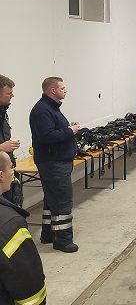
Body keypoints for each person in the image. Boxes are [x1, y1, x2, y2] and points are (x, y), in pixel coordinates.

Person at [29, 77, 80, 253]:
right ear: (53, 90)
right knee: (62, 201)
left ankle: (49, 235)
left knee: (52, 200)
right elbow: (47, 136)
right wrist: (69, 131)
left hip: (57, 161)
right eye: (62, 88)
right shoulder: (42, 110)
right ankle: (63, 240)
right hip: (53, 163)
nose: (66, 90)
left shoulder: (51, 108)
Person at [0, 151, 47, 304]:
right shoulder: (9, 224)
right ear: (1, 175)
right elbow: (29, 285)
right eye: (10, 168)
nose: (12, 173)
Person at [0, 75, 22, 206]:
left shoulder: (4, 114)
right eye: (9, 93)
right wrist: (1, 147)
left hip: (5, 176)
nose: (12, 96)